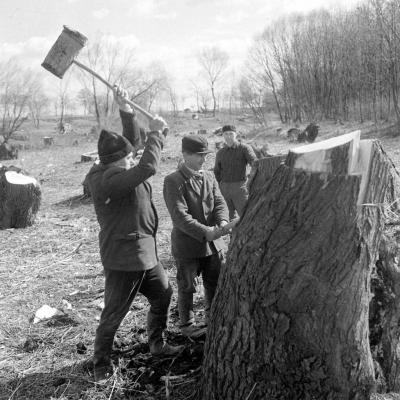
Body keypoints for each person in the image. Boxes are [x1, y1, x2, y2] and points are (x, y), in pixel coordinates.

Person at [85, 86, 183, 382]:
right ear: (119, 160)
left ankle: (157, 343)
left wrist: (125, 109)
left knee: (163, 295)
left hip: (146, 253)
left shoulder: (117, 166)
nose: (134, 157)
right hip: (124, 258)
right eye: (129, 156)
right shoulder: (107, 181)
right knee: (114, 314)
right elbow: (149, 165)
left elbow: (133, 146)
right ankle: (101, 363)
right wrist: (156, 134)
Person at [163, 135, 229, 338]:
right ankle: (188, 325)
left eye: (205, 155)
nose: (203, 159)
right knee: (187, 286)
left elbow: (219, 202)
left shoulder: (209, 176)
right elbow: (180, 216)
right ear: (185, 155)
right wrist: (205, 232)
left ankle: (212, 317)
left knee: (214, 281)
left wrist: (223, 222)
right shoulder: (173, 181)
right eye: (198, 155)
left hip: (214, 244)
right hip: (188, 245)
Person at [214, 125, 257, 220]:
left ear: (236, 135)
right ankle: (232, 235)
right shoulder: (221, 152)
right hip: (224, 188)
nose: (228, 136)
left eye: (231, 134)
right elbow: (217, 171)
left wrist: (250, 181)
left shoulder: (244, 148)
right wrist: (221, 185)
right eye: (226, 134)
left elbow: (255, 164)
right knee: (228, 217)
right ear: (223, 135)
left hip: (240, 187)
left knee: (245, 216)